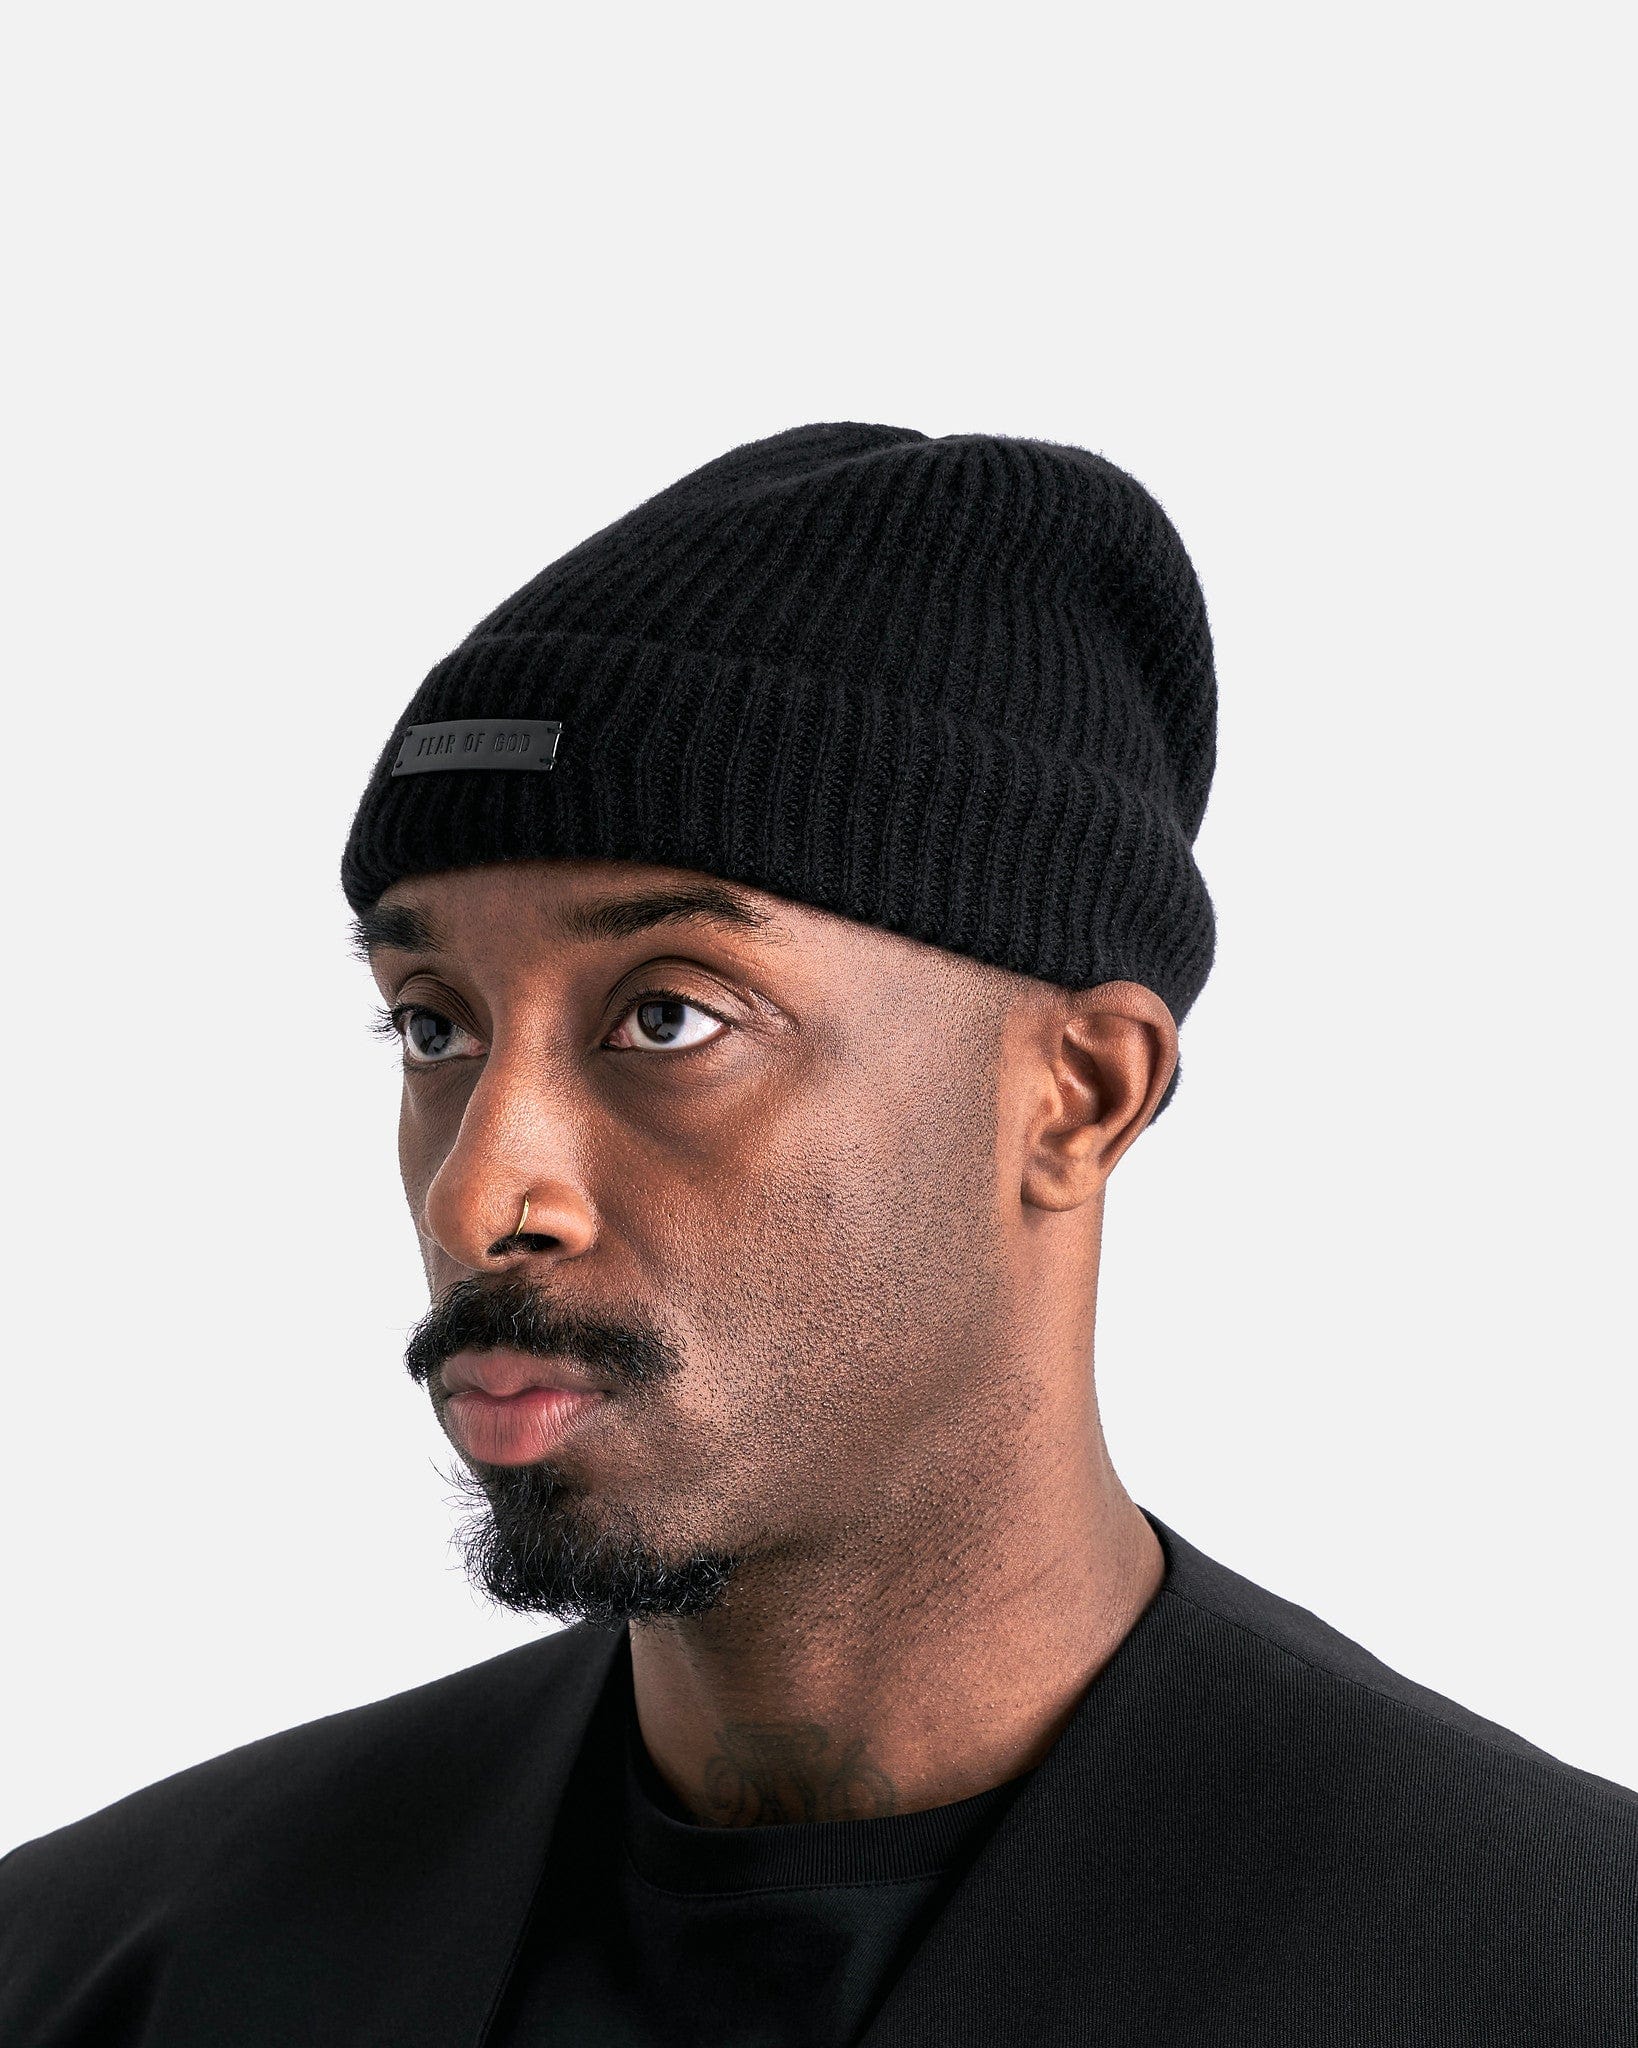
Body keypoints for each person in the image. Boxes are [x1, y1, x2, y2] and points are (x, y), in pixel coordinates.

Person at [2, 423, 1632, 2046]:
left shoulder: (1548, 1972)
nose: (481, 1196)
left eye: (667, 1017)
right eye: (433, 1027)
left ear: (1075, 1097)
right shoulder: (99, 1966)